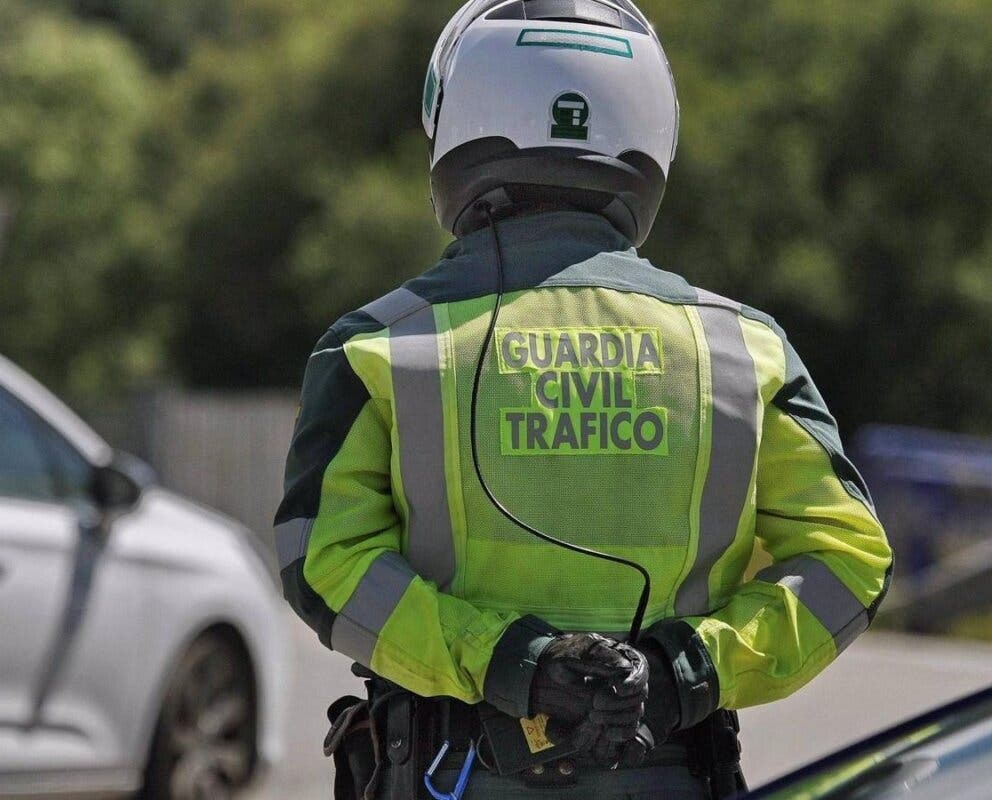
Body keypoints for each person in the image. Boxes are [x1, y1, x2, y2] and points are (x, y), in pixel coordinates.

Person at [275, 1, 894, 797]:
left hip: (447, 775)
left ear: (454, 125)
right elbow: (851, 564)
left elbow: (322, 565)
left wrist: (515, 666)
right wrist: (683, 672)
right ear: (651, 136)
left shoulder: (376, 347)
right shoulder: (746, 349)